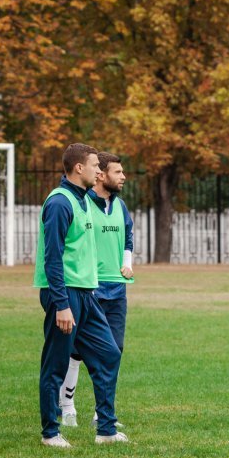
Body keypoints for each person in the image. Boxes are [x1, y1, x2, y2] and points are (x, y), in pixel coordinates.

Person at [33, 143, 127, 447]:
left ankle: (106, 430)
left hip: (87, 294)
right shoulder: (60, 203)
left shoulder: (83, 199)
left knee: (108, 353)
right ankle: (50, 433)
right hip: (65, 295)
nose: (99, 171)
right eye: (95, 166)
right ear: (78, 168)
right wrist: (61, 304)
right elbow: (52, 258)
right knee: (56, 364)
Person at [59, 152, 134, 429]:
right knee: (76, 351)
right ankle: (66, 406)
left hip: (117, 291)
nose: (123, 177)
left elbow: (128, 237)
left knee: (114, 350)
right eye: (117, 172)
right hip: (89, 289)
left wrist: (127, 264)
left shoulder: (120, 206)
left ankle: (102, 414)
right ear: (100, 174)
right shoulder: (83, 203)